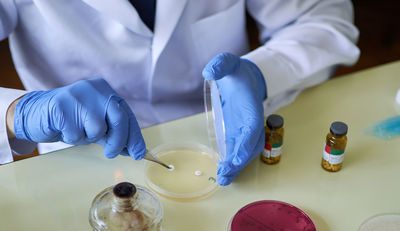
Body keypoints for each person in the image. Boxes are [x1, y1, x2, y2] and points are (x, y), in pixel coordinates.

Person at [0, 0, 359, 185]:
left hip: (216, 132)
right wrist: (17, 112)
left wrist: (264, 73)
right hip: (74, 147)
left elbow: (320, 19)